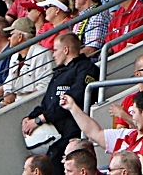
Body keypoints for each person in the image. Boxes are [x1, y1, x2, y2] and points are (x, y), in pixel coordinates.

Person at [23, 33, 100, 173]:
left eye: (55, 50)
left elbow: (75, 98)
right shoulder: (58, 73)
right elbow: (46, 103)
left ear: (66, 50)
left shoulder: (87, 69)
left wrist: (40, 119)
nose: (53, 55)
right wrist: (29, 118)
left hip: (72, 132)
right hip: (54, 134)